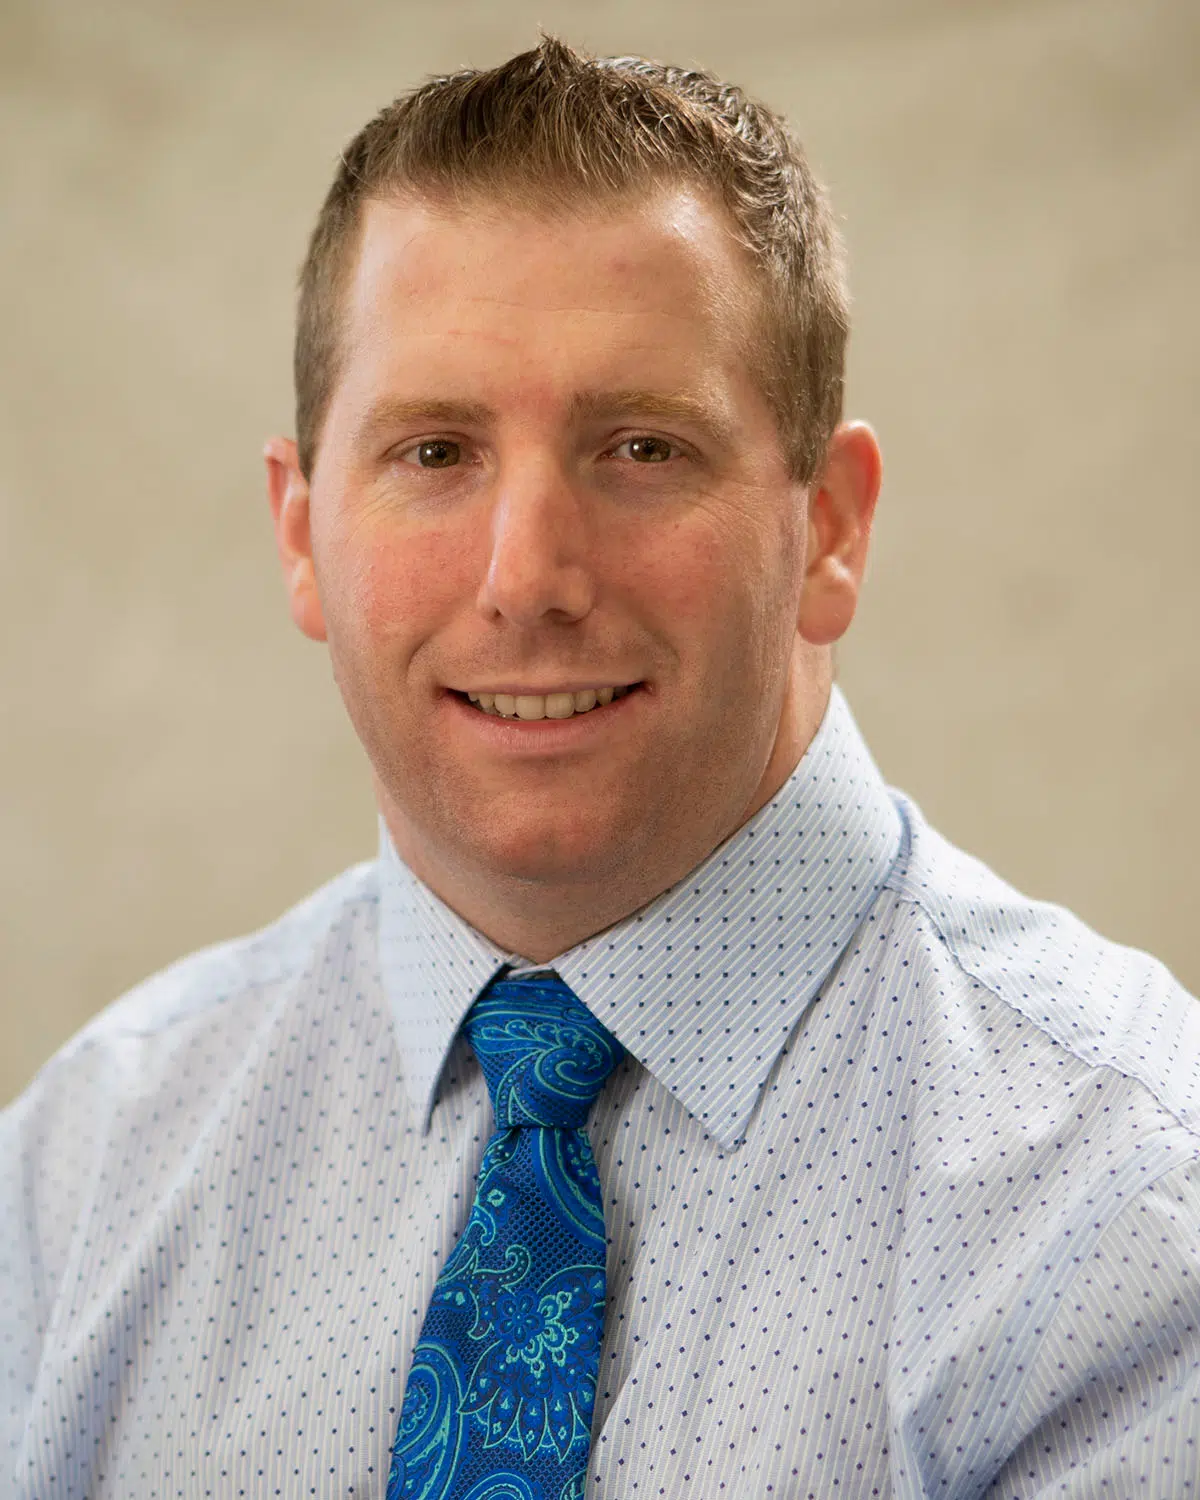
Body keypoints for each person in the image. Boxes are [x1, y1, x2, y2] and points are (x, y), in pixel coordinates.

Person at [3, 35, 1198, 1500]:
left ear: (829, 529)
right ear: (301, 533)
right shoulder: (76, 1184)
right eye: (435, 453)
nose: (527, 578)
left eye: (641, 449)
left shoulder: (1125, 1213)